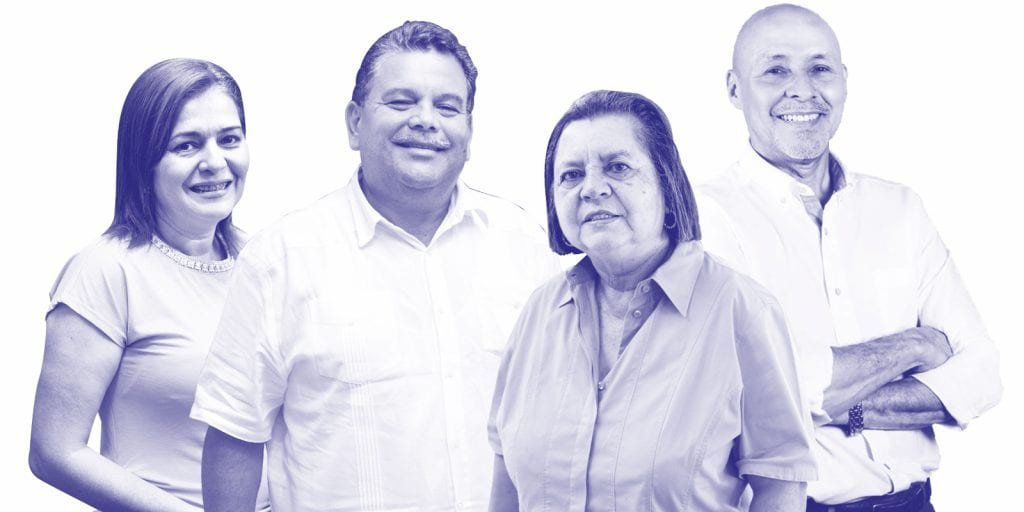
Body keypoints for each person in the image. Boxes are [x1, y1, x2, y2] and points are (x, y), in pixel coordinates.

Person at [191, 20, 559, 511]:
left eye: (447, 107)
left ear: (469, 133)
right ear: (354, 123)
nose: (425, 120)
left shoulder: (525, 247)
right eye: (401, 102)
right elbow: (235, 435)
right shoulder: (280, 260)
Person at [696, 4, 1002, 511]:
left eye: (820, 68)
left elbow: (983, 377)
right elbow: (750, 393)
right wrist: (915, 345)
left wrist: (835, 404)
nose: (802, 89)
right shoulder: (704, 220)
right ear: (733, 89)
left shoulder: (900, 207)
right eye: (775, 71)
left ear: (844, 80)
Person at [488, 90, 815, 512]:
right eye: (570, 175)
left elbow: (780, 487)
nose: (591, 189)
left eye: (618, 167)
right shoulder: (538, 312)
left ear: (666, 181)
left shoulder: (743, 312)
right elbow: (506, 482)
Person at [28, 58, 269, 511]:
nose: (215, 162)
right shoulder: (106, 271)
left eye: (229, 139)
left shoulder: (265, 261)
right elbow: (54, 452)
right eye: (186, 145)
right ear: (145, 160)